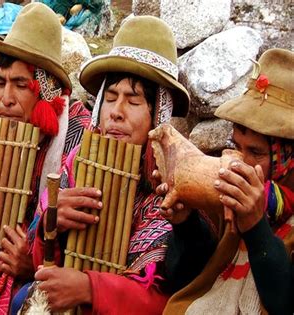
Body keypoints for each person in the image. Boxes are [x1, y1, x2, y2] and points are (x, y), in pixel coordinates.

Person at [28, 16, 190, 314]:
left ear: (159, 116)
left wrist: (90, 288)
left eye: (133, 101)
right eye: (110, 98)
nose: (115, 112)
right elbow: (38, 261)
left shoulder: (174, 184)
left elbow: (171, 299)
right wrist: (51, 224)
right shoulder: (79, 161)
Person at [0, 3, 91, 313]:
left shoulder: (80, 139)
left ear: (46, 90)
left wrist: (35, 259)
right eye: (0, 82)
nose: (6, 99)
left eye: (21, 84)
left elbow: (87, 243)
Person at [162, 48, 293, 315]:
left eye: (255, 152)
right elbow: (187, 281)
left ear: (287, 159)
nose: (240, 163)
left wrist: (256, 227)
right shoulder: (227, 204)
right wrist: (185, 224)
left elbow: (284, 303)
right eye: (236, 146)